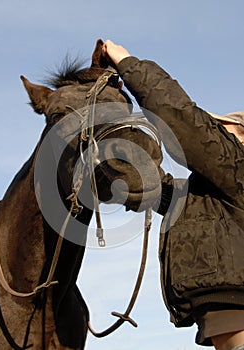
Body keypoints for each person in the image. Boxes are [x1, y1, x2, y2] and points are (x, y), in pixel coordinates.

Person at [102, 40, 244, 350]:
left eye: (226, 129)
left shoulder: (239, 169)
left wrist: (129, 65)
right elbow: (148, 186)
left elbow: (185, 124)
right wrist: (109, 137)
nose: (217, 133)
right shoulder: (205, 199)